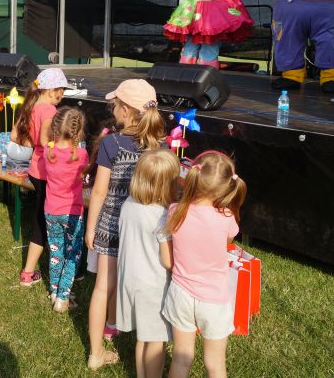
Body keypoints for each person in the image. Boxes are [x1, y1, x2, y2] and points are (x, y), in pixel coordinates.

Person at [84, 79, 166, 371]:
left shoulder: (112, 143)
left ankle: (96, 353)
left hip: (112, 225)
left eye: (115, 105)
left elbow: (99, 192)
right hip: (146, 231)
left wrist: (91, 227)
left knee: (102, 288)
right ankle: (141, 334)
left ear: (127, 110)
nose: (113, 109)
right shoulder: (161, 147)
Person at [162, 151, 247, 378]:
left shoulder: (175, 211)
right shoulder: (227, 217)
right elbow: (227, 241)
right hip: (214, 300)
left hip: (180, 294)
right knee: (215, 364)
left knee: (180, 359)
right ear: (226, 187)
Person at [116, 148, 180, 378]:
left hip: (130, 280)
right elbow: (168, 261)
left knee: (143, 338)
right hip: (152, 286)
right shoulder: (162, 216)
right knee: (156, 341)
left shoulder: (128, 204)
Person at [11, 67, 68, 287]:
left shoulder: (31, 105)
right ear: (51, 90)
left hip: (35, 171)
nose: (62, 95)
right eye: (61, 90)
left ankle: (30, 271)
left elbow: (15, 136)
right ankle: (34, 271)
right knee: (48, 222)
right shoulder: (50, 111)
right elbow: (46, 141)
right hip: (48, 173)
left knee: (41, 218)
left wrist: (35, 144)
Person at [42, 106, 88, 313]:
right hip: (72, 213)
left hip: (51, 211)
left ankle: (55, 291)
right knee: (72, 254)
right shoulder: (81, 154)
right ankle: (62, 297)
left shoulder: (48, 151)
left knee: (56, 251)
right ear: (78, 131)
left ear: (55, 128)